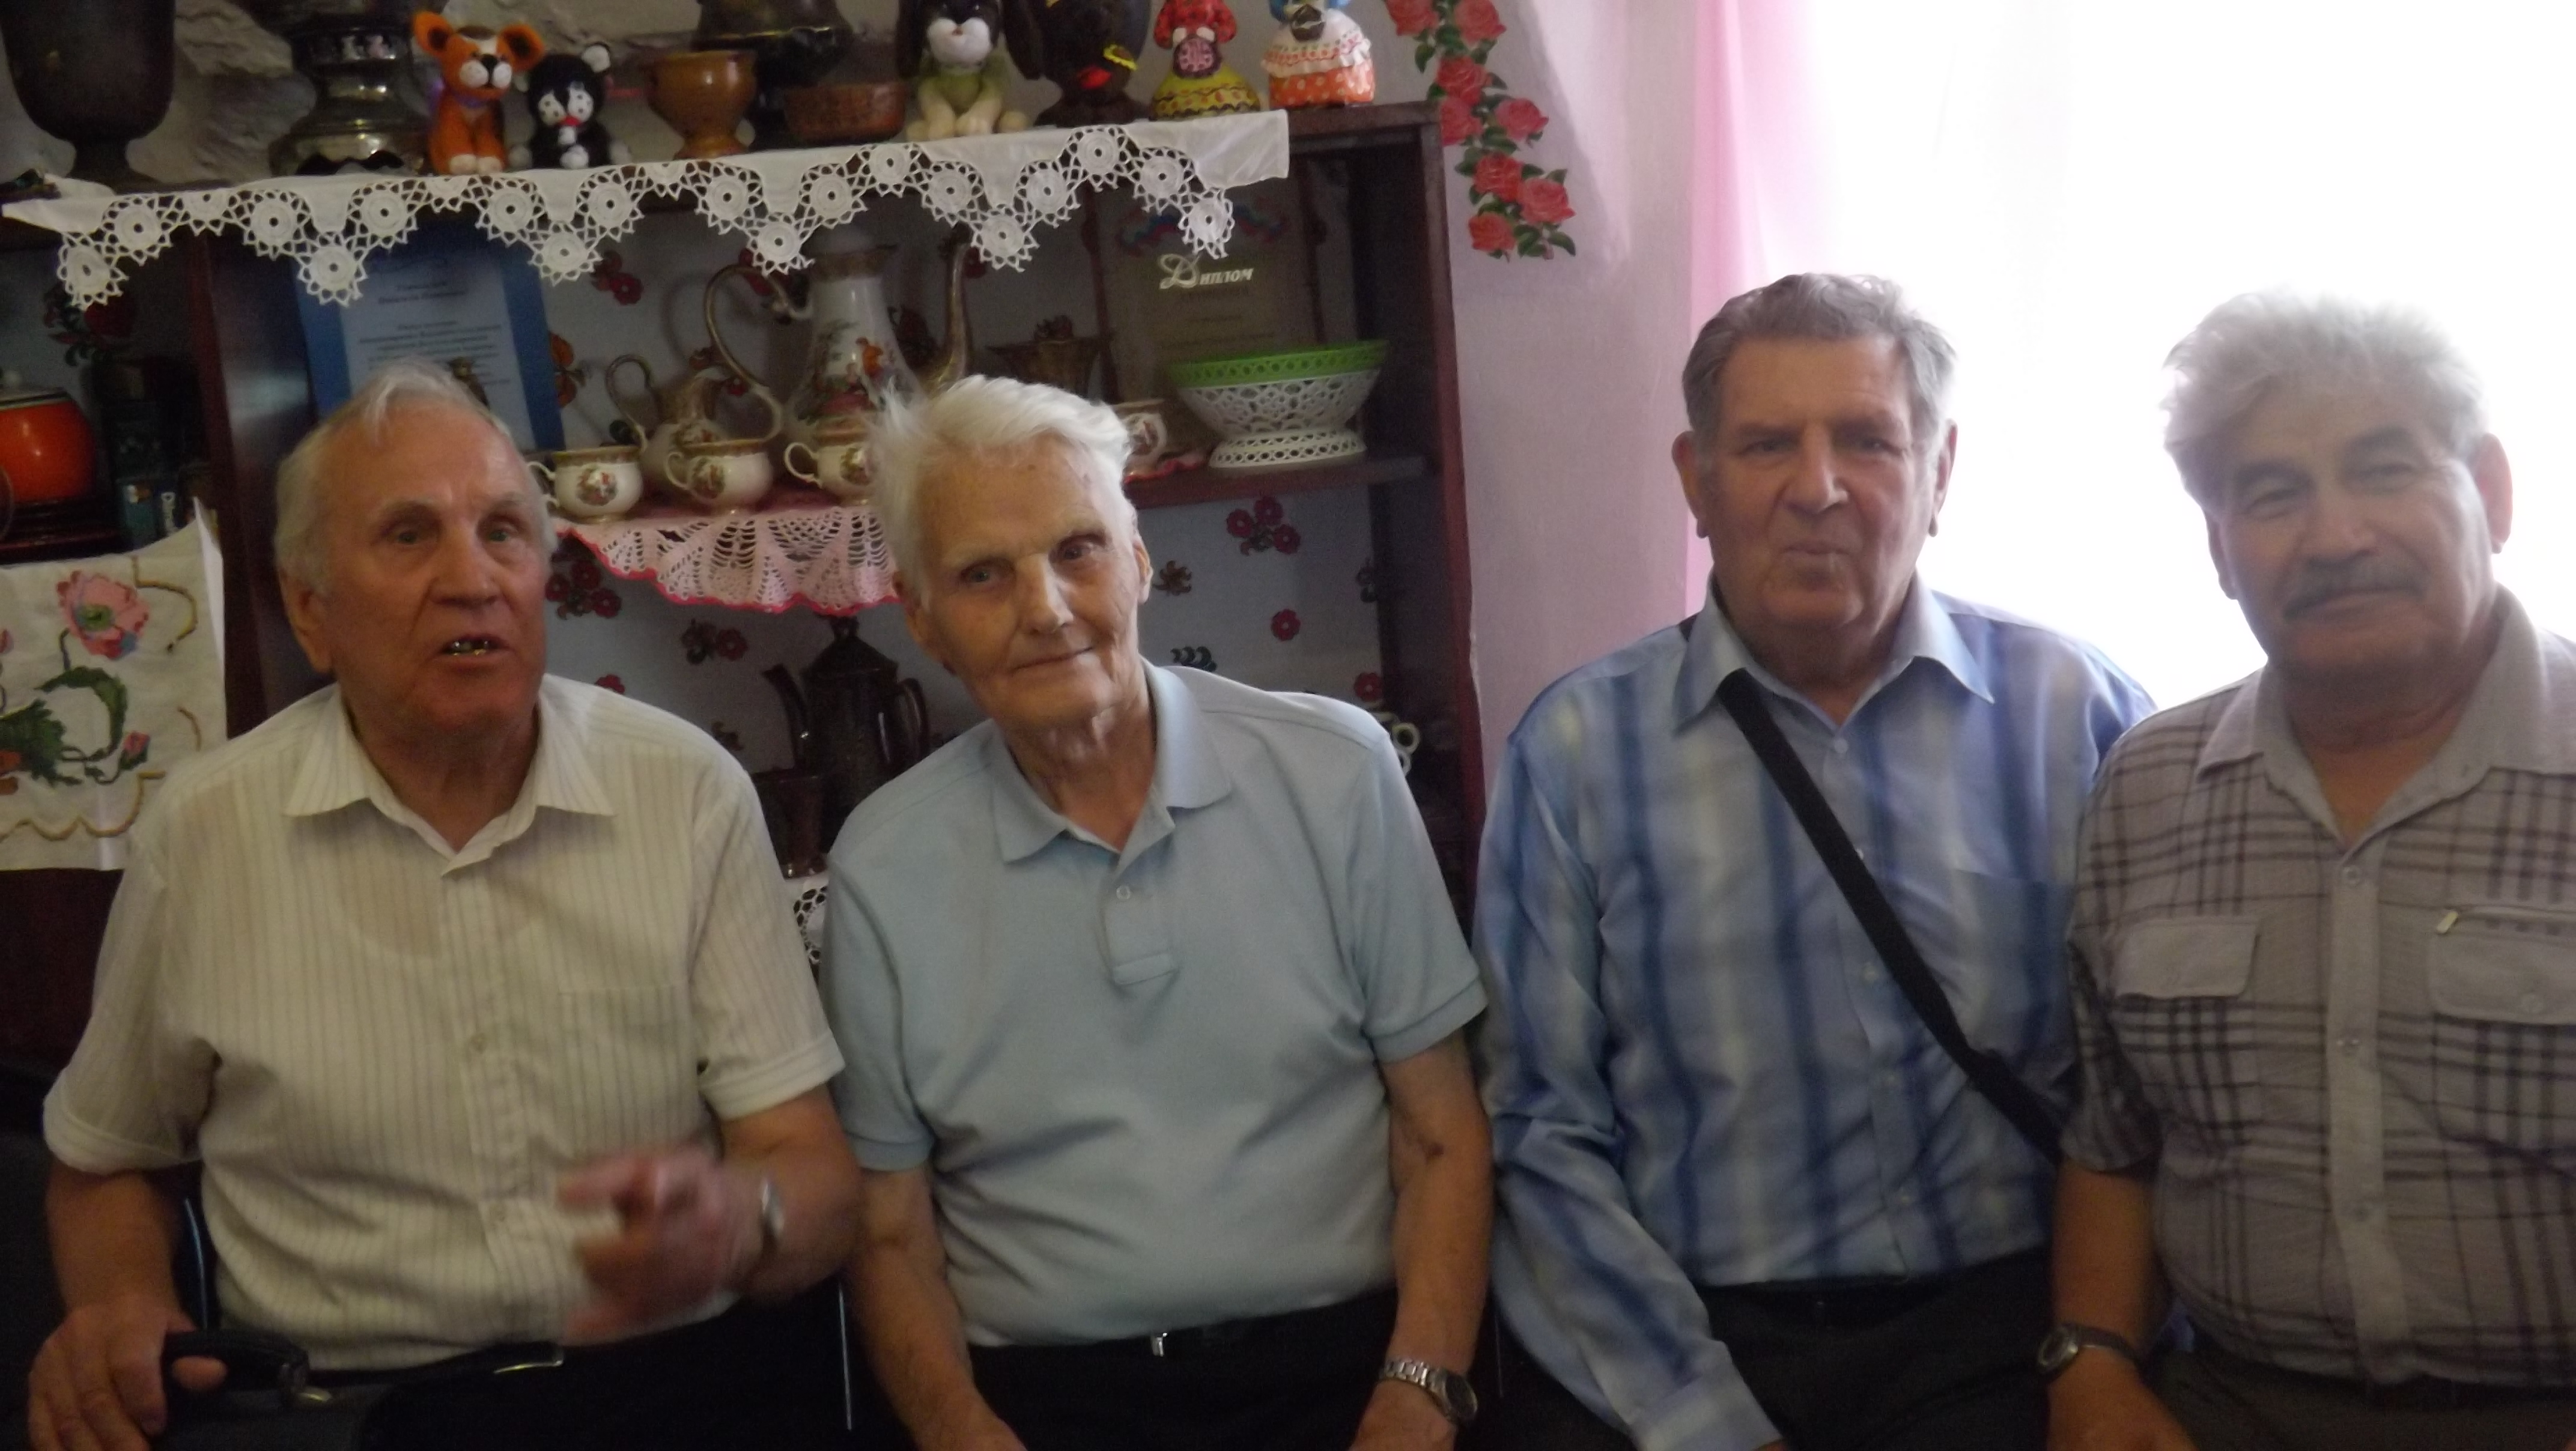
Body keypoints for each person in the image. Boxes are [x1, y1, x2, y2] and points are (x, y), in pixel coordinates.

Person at [29, 361, 862, 1451]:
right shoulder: (204, 835)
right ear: (310, 610)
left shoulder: (686, 791)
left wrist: (746, 1223)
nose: (473, 579)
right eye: (409, 535)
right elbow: (104, 1162)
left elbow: (813, 1174)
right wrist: (126, 1305)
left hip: (666, 1390)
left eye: (504, 531)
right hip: (351, 1414)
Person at [1475, 273, 2153, 1451]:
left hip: (2009, 1341)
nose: (1817, 488)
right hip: (1687, 1333)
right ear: (1695, 480)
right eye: (1765, 445)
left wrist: (2103, 1352)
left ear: (1939, 472)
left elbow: (2151, 1086)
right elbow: (1539, 1126)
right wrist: (1701, 1420)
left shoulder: (2075, 714)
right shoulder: (1577, 749)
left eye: (1866, 441)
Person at [823, 376, 1491, 1451]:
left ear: (1138, 562)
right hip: (1049, 1404)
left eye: (1077, 550)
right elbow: (890, 1233)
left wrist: (1415, 1398)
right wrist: (964, 1435)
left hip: (1344, 1373)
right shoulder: (883, 867)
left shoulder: (1335, 773)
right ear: (924, 620)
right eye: (985, 574)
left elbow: (1443, 1135)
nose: (1046, 609)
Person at [2049, 294, 2576, 1451]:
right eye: (2273, 495)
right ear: (2219, 549)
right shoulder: (2148, 784)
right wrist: (2091, 1369)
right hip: (2226, 1410)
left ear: (2492, 492)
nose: (2334, 538)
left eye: (2383, 471)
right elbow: (2116, 1140)